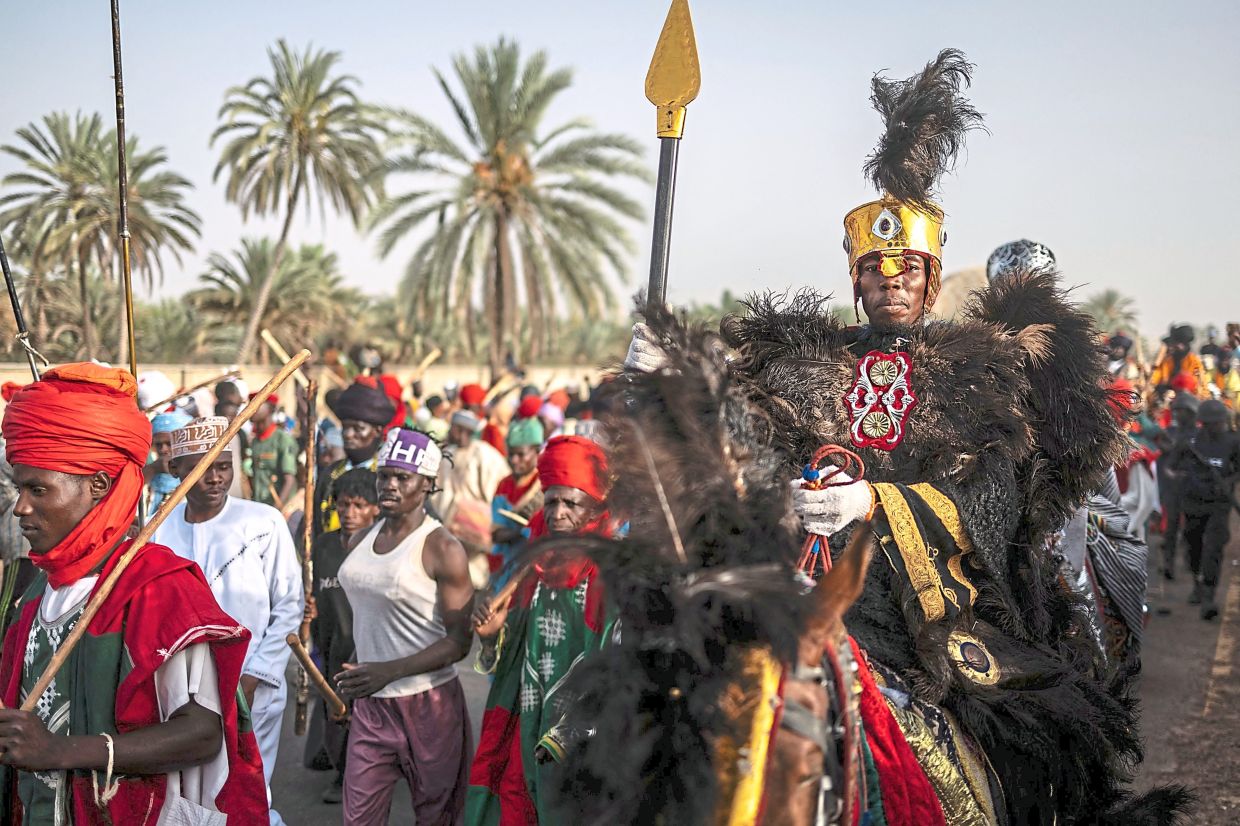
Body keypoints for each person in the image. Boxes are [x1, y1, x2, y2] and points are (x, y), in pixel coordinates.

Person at [623, 50, 1178, 823]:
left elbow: (992, 497)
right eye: (877, 266)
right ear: (855, 276)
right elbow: (734, 450)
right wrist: (667, 384)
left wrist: (873, 502)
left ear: (930, 275)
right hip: (802, 593)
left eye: (909, 267)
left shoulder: (975, 372)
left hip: (929, 615)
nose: (892, 278)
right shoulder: (794, 365)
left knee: (1024, 752)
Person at [0, 364, 266, 824]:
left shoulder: (157, 586)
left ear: (98, 486)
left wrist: (60, 751)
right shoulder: (37, 585)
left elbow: (202, 733)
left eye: (38, 488)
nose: (21, 506)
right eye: (19, 487)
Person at [155, 417, 303, 825]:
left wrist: (256, 675)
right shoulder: (159, 529)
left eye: (224, 466)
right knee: (187, 794)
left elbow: (289, 605)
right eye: (204, 469)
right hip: (181, 690)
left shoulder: (263, 522)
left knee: (251, 789)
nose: (217, 478)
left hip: (253, 681)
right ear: (176, 471)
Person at [467, 435, 615, 825]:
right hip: (529, 717)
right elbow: (509, 656)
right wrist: (490, 637)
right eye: (551, 501)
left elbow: (619, 664)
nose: (559, 513)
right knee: (516, 799)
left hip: (582, 730)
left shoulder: (611, 573)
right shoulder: (534, 566)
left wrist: (575, 729)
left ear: (595, 505)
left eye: (572, 502)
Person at [335, 428, 474, 825]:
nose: (390, 485)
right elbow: (372, 620)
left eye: (403, 478)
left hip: (429, 705)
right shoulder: (359, 539)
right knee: (359, 817)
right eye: (385, 475)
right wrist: (352, 674)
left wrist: (388, 671)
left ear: (428, 485)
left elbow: (459, 643)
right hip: (372, 706)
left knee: (436, 816)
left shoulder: (442, 548)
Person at [305, 467, 380, 804]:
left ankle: (362, 779)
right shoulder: (323, 546)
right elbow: (317, 591)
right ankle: (341, 773)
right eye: (343, 505)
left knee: (366, 718)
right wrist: (310, 612)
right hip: (332, 644)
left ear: (376, 509)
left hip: (368, 647)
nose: (349, 514)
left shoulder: (381, 549)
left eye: (359, 506)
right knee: (334, 715)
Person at [1167, 399, 1240, 619]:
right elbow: (1171, 467)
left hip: (1219, 504)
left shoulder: (1234, 442)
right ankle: (1197, 582)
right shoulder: (1190, 442)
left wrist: (1228, 481)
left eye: (1220, 422)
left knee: (1214, 548)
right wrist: (1183, 477)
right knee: (1193, 544)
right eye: (1213, 423)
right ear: (1203, 423)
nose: (1218, 426)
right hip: (1193, 502)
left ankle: (1209, 596)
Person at [435, 410, 511, 586]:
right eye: (456, 429)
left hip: (477, 540)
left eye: (464, 430)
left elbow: (500, 493)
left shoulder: (486, 455)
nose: (458, 435)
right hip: (447, 532)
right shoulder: (445, 456)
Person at [315, 380, 395, 536]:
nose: (348, 435)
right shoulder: (331, 473)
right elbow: (316, 521)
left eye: (358, 429)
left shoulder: (388, 476)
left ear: (377, 431)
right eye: (345, 428)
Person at [488, 414, 545, 587]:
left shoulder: (545, 484)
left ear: (537, 452)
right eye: (511, 454)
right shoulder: (504, 485)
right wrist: (522, 531)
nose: (514, 460)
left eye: (521, 455)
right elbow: (496, 533)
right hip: (504, 568)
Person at [1155, 391, 1200, 578]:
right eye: (1177, 410)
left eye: (1183, 411)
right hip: (1173, 487)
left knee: (1191, 530)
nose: (1178, 414)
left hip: (1193, 488)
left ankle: (1192, 566)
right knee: (1171, 527)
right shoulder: (1170, 432)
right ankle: (1168, 564)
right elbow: (1164, 453)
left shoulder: (1199, 434)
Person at [248, 394, 298, 509]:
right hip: (260, 505)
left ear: (270, 409)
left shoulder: (282, 439)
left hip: (281, 508)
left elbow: (289, 479)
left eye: (257, 405)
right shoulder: (256, 441)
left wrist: (277, 509)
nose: (251, 409)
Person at [145, 409, 193, 518]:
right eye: (158, 444)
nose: (163, 449)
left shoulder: (194, 475)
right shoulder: (148, 474)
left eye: (169, 443)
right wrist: (153, 469)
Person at [1151, 324, 1208, 399]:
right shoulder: (1167, 361)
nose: (1175, 346)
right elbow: (1154, 381)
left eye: (1179, 344)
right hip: (1166, 398)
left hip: (1188, 400)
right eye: (1175, 343)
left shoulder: (1194, 362)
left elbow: (1200, 389)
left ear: (1185, 345)